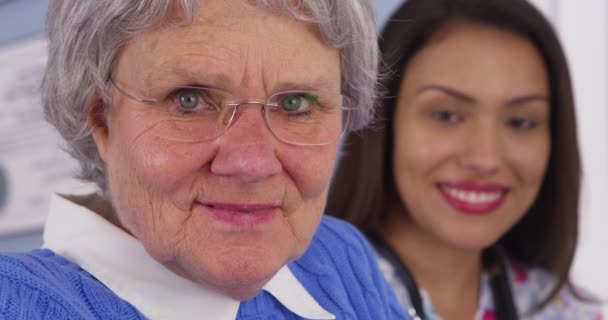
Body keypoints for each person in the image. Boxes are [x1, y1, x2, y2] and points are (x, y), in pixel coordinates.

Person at [0, 0, 409, 319]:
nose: (252, 163)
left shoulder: (339, 255)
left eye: (295, 103)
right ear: (101, 120)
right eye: (189, 100)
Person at [326, 0, 604, 319]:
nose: (485, 158)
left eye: (521, 122)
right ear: (381, 122)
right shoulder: (297, 299)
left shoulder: (573, 312)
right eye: (446, 115)